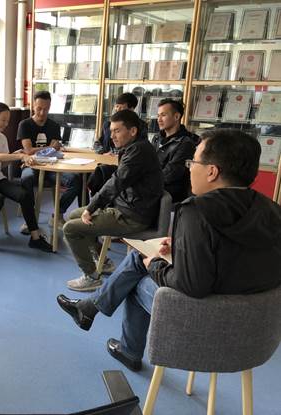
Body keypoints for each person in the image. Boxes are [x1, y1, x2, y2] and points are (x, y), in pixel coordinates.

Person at [57, 129, 281, 372]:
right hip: (257, 327)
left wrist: (154, 265)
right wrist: (182, 246)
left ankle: (126, 348)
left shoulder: (196, 210)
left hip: (209, 318)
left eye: (193, 162)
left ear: (212, 171)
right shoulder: (271, 209)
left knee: (136, 277)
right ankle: (90, 309)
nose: (189, 169)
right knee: (139, 258)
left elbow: (191, 285)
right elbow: (239, 252)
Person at [64, 109, 164, 292]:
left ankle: (91, 277)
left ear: (132, 131)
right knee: (73, 215)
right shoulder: (135, 147)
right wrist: (93, 207)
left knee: (70, 229)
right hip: (128, 207)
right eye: (111, 131)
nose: (112, 136)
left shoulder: (138, 151)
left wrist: (91, 207)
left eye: (117, 131)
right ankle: (104, 262)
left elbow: (116, 182)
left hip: (132, 216)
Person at [0, 102, 53, 256]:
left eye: (7, 121)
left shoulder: (2, 138)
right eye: (3, 120)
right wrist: (20, 156)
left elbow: (2, 163)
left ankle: (35, 237)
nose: (6, 124)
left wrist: (15, 155)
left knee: (24, 196)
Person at [17, 90, 82, 230]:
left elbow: (53, 150)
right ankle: (30, 220)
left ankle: (57, 214)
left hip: (52, 166)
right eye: (39, 108)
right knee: (26, 179)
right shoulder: (24, 124)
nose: (42, 113)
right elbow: (28, 151)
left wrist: (45, 149)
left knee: (76, 180)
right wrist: (49, 147)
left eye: (46, 109)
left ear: (50, 107)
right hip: (32, 165)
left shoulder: (54, 126)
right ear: (33, 106)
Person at [88, 92, 147, 196]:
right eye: (116, 106)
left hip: (125, 164)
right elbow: (97, 143)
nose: (117, 110)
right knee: (86, 177)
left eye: (121, 107)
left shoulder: (140, 126)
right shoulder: (108, 124)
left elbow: (139, 148)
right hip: (106, 160)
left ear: (131, 109)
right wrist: (103, 152)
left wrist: (121, 154)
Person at [151, 98, 198, 203]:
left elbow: (171, 174)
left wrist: (145, 181)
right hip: (153, 187)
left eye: (163, 115)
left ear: (176, 116)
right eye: (158, 116)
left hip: (170, 195)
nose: (159, 119)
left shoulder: (186, 143)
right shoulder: (157, 138)